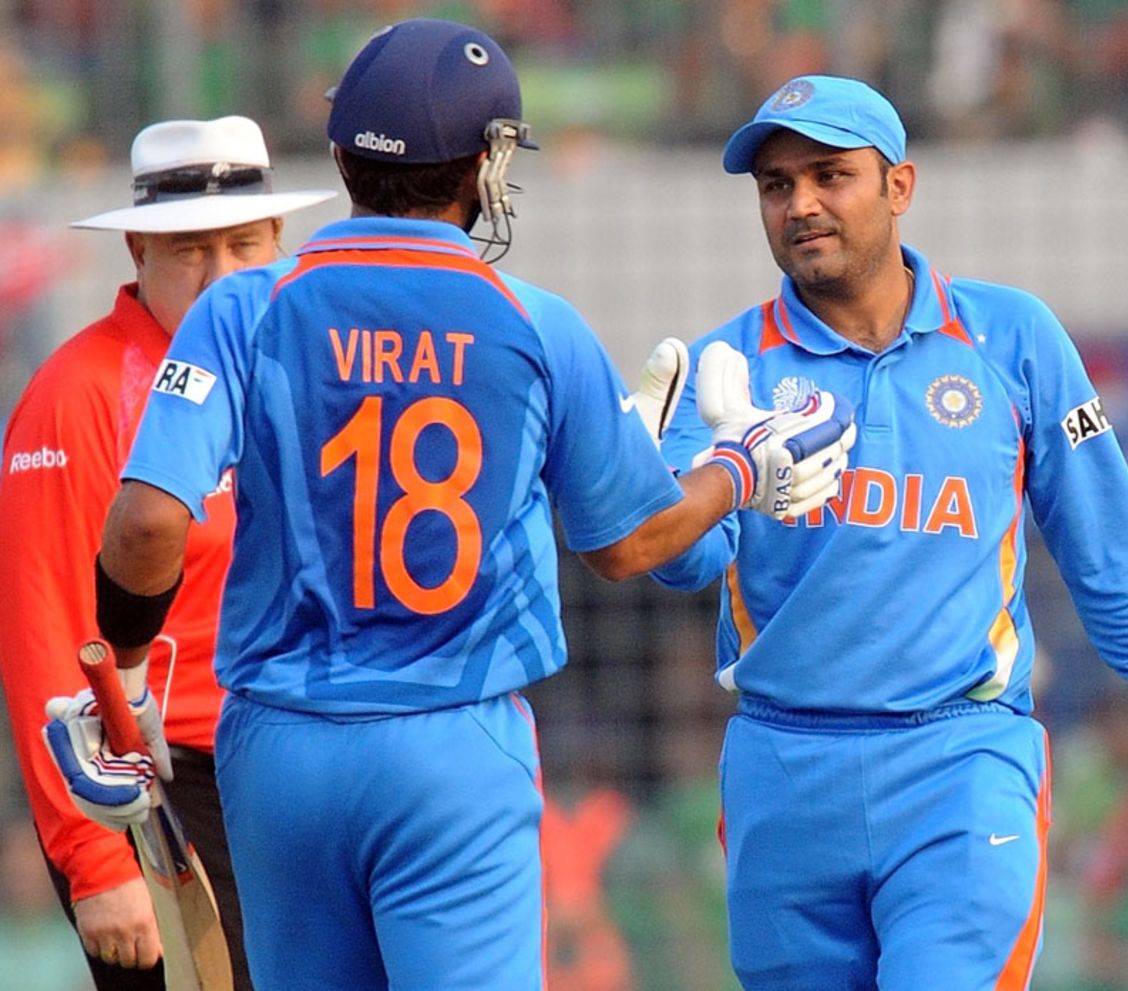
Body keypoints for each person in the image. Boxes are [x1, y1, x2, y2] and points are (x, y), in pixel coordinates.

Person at [42, 20, 855, 991]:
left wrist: (126, 673)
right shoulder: (532, 321)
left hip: (276, 750)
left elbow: (144, 525)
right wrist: (739, 468)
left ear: (341, 158)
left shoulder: (240, 308)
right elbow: (632, 544)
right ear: (482, 163)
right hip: (449, 742)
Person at [649, 74, 1128, 991]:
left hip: (959, 761)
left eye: (830, 175)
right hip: (782, 772)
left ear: (900, 186)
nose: (801, 204)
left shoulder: (1013, 337)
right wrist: (680, 485)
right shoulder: (725, 370)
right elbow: (683, 567)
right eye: (777, 185)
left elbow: (1110, 560)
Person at [0, 115, 335, 989]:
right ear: (139, 251)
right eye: (190, 249)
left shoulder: (308, 368)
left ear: (278, 242)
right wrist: (98, 861)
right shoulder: (76, 395)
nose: (221, 273)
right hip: (159, 790)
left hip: (300, 770)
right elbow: (44, 631)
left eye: (242, 243)